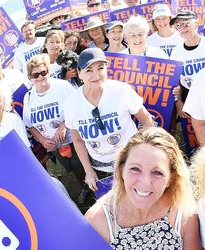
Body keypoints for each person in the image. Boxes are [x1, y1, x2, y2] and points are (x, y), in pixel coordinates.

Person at [63, 48, 155, 193]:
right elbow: (78, 140)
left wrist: (144, 152)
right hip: (100, 167)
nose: (96, 75)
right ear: (79, 73)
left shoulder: (121, 91)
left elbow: (146, 120)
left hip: (131, 160)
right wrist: (88, 171)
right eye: (89, 70)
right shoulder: (71, 103)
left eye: (100, 68)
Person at [23, 54, 87, 204]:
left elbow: (78, 106)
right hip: (54, 145)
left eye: (43, 72)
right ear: (30, 77)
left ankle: (93, 191)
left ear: (48, 71)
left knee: (83, 165)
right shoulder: (29, 97)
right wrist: (43, 140)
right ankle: (85, 187)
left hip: (74, 138)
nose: (40, 77)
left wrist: (64, 125)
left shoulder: (62, 86)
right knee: (71, 168)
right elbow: (29, 125)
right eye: (35, 75)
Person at [169, 10, 205, 119]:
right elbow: (175, 81)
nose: (182, 28)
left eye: (185, 23)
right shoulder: (176, 51)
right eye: (178, 26)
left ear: (196, 24)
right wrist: (178, 101)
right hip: (188, 97)